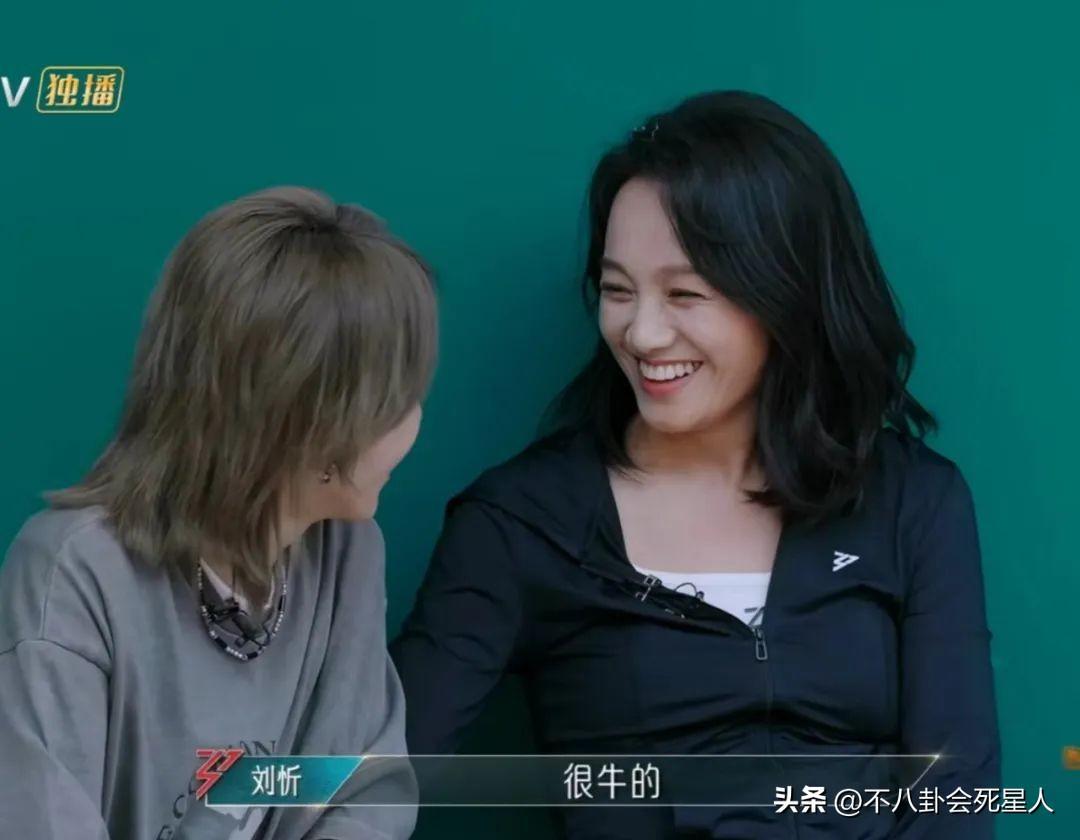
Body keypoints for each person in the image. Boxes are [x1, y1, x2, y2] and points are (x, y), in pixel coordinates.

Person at [390, 91, 1001, 838]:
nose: (643, 333)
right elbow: (367, 781)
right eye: (618, 290)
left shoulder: (914, 501)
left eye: (685, 293)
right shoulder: (520, 523)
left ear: (786, 295)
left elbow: (956, 795)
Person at [0, 187, 437, 839]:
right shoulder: (74, 572)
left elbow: (364, 792)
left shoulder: (348, 551)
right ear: (306, 423)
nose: (415, 422)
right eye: (397, 401)